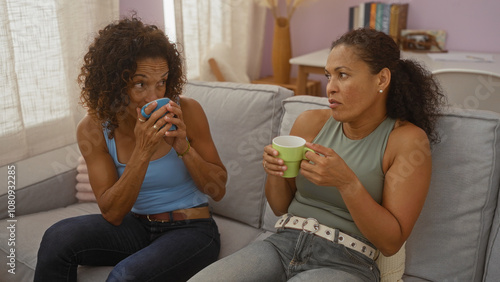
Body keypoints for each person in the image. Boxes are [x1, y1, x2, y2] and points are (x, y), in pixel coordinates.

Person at [189, 28, 445, 282]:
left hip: (347, 261)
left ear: (381, 79)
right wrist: (274, 171)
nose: (329, 88)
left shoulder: (407, 140)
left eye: (342, 75)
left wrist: (347, 183)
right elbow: (280, 207)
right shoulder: (310, 123)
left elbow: (391, 243)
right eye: (328, 76)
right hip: (281, 244)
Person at [34, 16, 227, 282]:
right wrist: (143, 151)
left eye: (162, 82)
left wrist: (184, 147)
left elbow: (218, 188)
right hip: (135, 226)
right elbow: (112, 213)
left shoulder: (187, 111)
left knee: (125, 276)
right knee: (58, 238)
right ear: (113, 83)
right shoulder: (93, 130)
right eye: (140, 84)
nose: (154, 96)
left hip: (192, 228)